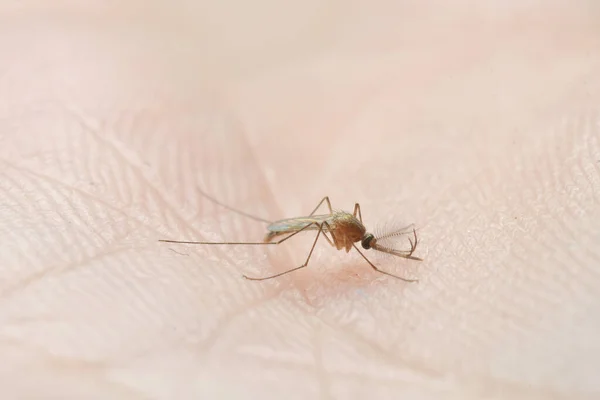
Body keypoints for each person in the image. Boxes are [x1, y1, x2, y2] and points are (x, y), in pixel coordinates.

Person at [1, 1, 597, 398]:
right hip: (298, 224)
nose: (361, 243)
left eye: (361, 240)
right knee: (312, 234)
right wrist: (351, 248)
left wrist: (378, 247)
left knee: (330, 217)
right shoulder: (343, 234)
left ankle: (267, 228)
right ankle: (242, 230)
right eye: (361, 241)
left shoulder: (355, 228)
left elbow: (357, 233)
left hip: (318, 220)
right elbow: (345, 237)